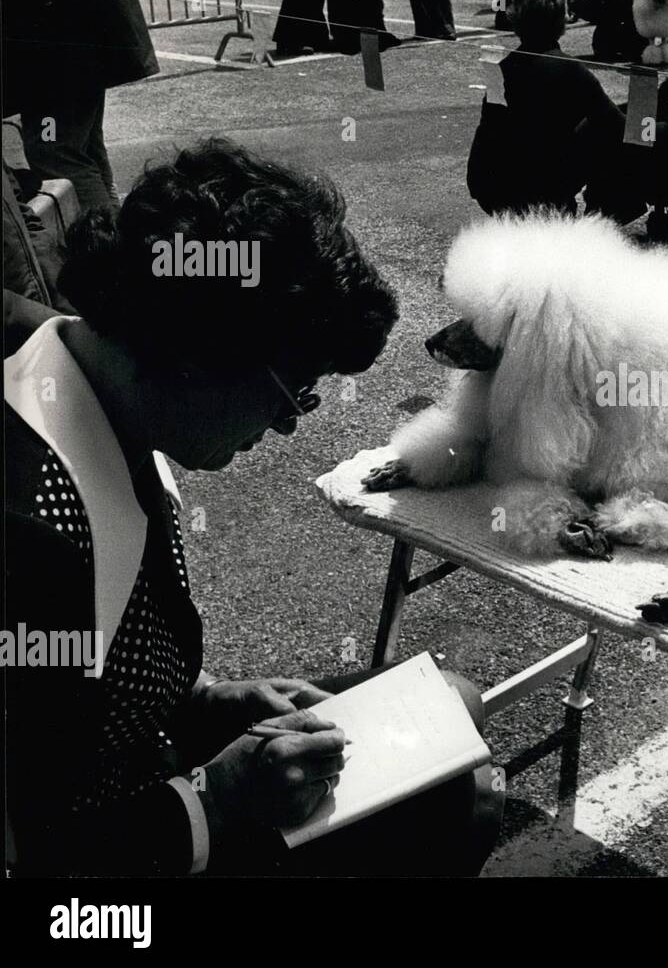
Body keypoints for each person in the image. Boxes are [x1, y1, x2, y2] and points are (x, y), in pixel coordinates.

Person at [3, 139, 503, 876]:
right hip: (99, 858)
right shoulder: (32, 532)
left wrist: (208, 698)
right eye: (293, 388)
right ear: (198, 351)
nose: (291, 422)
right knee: (459, 799)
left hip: (135, 763)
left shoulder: (79, 368)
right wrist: (215, 800)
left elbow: (90, 668)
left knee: (450, 707)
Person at [466, 0, 668, 218]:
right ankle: (604, 216)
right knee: (625, 120)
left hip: (496, 193)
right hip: (543, 195)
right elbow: (626, 131)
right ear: (563, 17)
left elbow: (488, 135)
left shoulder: (502, 67)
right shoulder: (570, 71)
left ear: (515, 16)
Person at [0, 0, 160, 212]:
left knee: (54, 148)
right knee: (79, 146)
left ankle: (104, 251)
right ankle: (112, 237)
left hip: (59, 8)